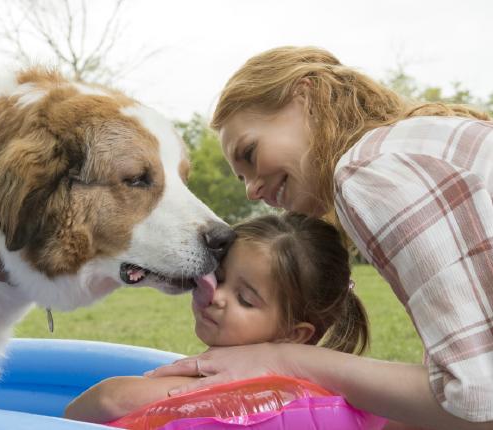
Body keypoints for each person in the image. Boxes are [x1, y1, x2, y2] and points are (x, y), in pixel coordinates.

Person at [146, 46, 493, 430]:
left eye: (250, 151)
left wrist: (284, 359)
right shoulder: (408, 144)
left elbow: (473, 403)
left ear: (305, 97)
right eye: (241, 178)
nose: (252, 191)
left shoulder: (370, 171)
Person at [64, 213, 369, 424]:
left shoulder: (267, 391)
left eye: (245, 299)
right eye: (219, 277)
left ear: (294, 335)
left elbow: (109, 400)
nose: (218, 296)